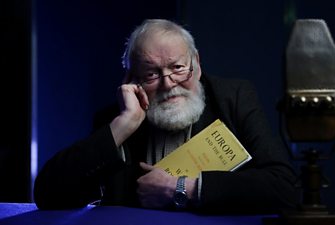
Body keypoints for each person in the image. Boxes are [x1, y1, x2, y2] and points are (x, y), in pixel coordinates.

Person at [34, 19, 298, 213]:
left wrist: (185, 189)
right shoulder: (116, 117)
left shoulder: (233, 97)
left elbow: (285, 189)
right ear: (132, 79)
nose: (168, 83)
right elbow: (48, 195)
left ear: (196, 63)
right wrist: (122, 126)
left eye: (178, 67)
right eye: (151, 74)